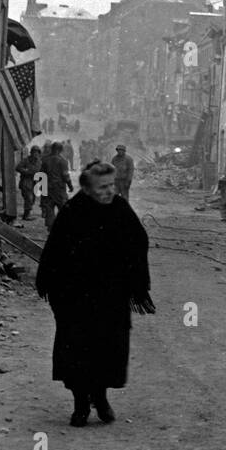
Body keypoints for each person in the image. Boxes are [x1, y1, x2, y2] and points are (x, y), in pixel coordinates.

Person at [36, 161, 155, 427]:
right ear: (88, 189)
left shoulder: (120, 209)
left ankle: (100, 399)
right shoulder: (72, 212)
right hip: (75, 297)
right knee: (77, 349)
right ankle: (80, 404)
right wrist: (57, 288)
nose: (110, 191)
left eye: (112, 185)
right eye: (103, 187)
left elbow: (139, 239)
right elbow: (54, 252)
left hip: (110, 296)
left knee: (107, 349)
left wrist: (131, 276)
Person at [41, 142, 73, 231]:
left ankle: (50, 226)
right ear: (60, 150)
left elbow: (41, 175)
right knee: (63, 207)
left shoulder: (45, 159)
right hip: (59, 189)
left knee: (49, 208)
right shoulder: (63, 161)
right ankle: (62, 226)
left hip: (47, 188)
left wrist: (42, 188)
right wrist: (70, 186)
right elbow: (65, 176)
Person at [15, 146, 42, 221]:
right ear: (31, 153)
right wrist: (26, 171)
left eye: (37, 153)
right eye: (34, 152)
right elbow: (18, 167)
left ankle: (27, 213)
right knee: (29, 198)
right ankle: (26, 216)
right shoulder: (26, 160)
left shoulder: (39, 162)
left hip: (34, 182)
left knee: (32, 199)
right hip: (26, 181)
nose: (35, 154)